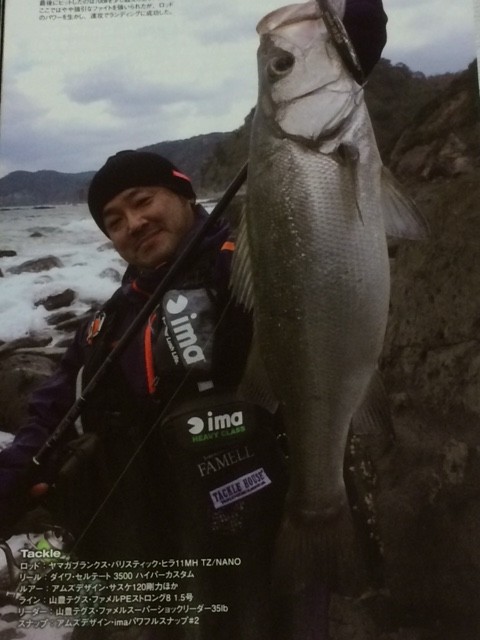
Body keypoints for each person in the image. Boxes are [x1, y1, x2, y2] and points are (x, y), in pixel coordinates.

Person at [0, 3, 388, 638]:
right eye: (114, 221)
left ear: (184, 194)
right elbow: (49, 412)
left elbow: (346, 66)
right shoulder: (105, 325)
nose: (133, 224)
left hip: (270, 520)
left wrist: (340, 32)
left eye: (142, 201)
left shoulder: (255, 252)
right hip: (172, 547)